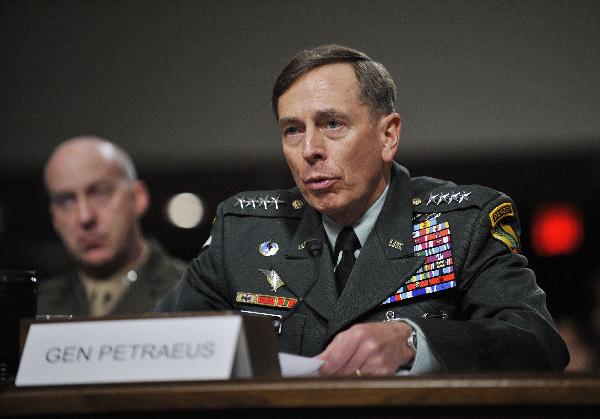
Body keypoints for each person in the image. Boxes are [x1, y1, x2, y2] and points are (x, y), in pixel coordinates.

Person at [157, 45, 569, 375]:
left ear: (388, 135)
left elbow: (538, 343)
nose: (309, 150)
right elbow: (158, 347)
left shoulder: (465, 223)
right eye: (292, 130)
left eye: (332, 124)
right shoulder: (241, 231)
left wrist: (412, 341)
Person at [39, 136, 186, 317]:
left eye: (100, 193)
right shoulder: (34, 306)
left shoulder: (195, 295)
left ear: (137, 198)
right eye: (66, 201)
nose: (85, 217)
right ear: (54, 217)